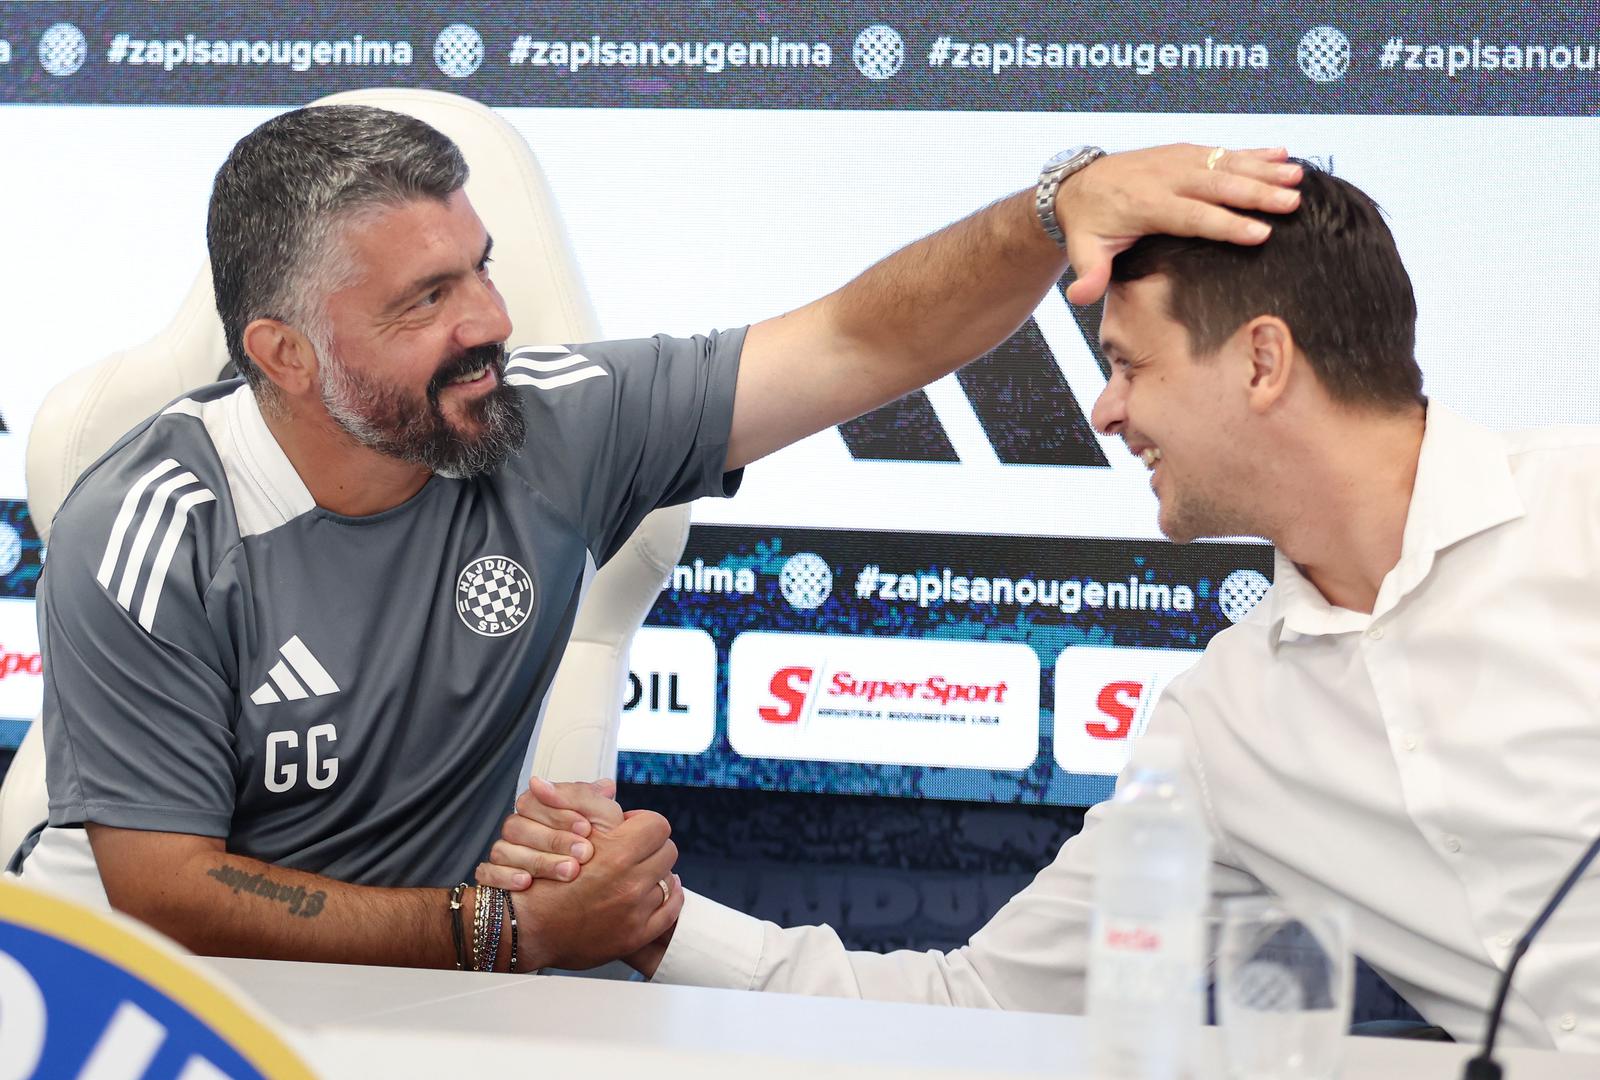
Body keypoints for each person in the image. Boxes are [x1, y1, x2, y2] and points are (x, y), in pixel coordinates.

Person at [13, 103, 1301, 973]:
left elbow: (862, 339)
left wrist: (1050, 206)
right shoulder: (149, 524)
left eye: (481, 266)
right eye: (426, 298)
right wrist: (503, 932)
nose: (490, 319)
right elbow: (168, 891)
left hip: (417, 998)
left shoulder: (551, 420)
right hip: (133, 995)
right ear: (284, 355)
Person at [488, 161, 1600, 1051]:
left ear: (1262, 360)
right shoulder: (1226, 724)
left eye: (1130, 365)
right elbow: (981, 1010)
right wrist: (657, 922)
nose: (1106, 412)